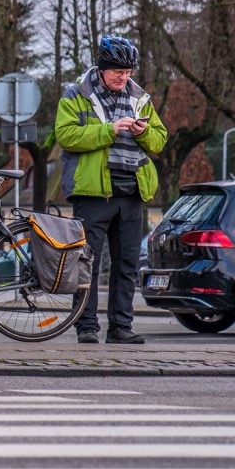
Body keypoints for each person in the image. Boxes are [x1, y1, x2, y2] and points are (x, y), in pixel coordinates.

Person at [53, 35, 168, 345]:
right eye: (118, 70)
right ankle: (86, 326)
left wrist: (144, 133)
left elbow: (160, 139)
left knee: (127, 264)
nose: (124, 77)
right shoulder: (75, 96)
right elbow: (66, 135)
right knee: (85, 263)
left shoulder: (140, 98)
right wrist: (110, 130)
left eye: (128, 71)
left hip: (131, 193)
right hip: (92, 194)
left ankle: (120, 326)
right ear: (103, 68)